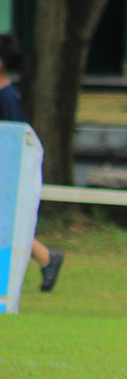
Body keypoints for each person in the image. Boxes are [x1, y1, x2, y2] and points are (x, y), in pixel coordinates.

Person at [0, 33, 63, 292]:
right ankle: (47, 257)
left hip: (5, 174)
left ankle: (44, 259)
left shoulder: (7, 98)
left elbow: (15, 141)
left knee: (7, 228)